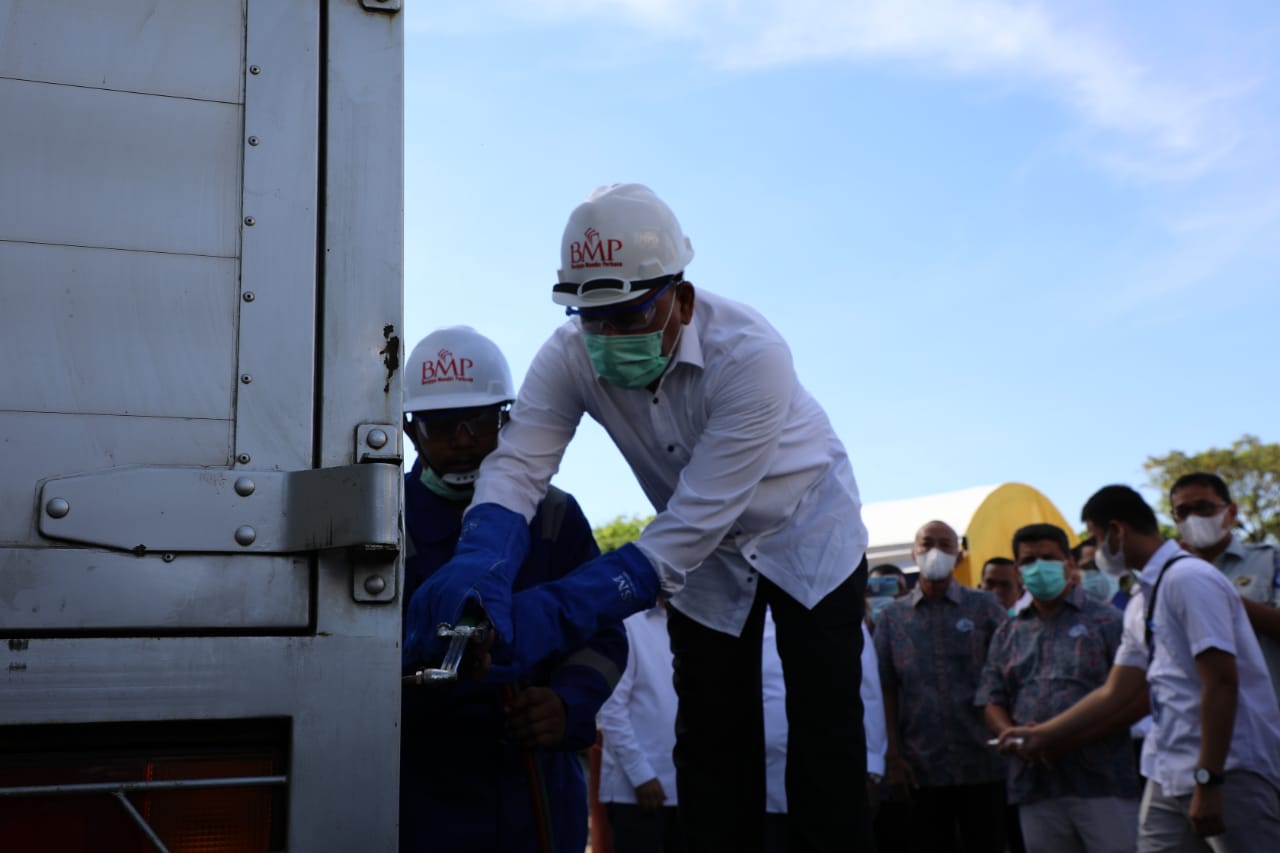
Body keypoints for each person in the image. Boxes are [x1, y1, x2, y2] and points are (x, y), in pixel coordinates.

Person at [403, 183, 872, 853]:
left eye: (629, 316)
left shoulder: (751, 355)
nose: (609, 337)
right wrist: (479, 561)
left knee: (826, 733)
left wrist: (548, 612)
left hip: (806, 534)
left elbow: (689, 527)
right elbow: (518, 467)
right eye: (592, 318)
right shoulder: (568, 354)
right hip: (705, 555)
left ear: (683, 299)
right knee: (711, 739)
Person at [398, 326, 628, 853]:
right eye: (441, 425)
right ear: (411, 431)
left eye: (478, 421)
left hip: (537, 785)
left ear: (505, 420)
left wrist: (567, 703)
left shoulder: (554, 514)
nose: (462, 440)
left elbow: (603, 636)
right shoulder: (385, 520)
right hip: (419, 785)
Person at [1000, 485, 1280, 853]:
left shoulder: (1188, 580)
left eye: (1097, 538)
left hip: (1227, 767)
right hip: (1166, 769)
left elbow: (1222, 683)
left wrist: (1209, 778)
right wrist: (1044, 734)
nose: (1096, 551)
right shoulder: (1141, 599)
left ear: (1117, 531)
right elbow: (1115, 691)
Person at [978, 523, 1139, 853]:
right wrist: (1011, 735)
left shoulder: (1108, 621)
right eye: (1028, 561)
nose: (1038, 567)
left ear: (1069, 563)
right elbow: (992, 697)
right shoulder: (1008, 631)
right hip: (1034, 784)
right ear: (1018, 571)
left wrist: (1059, 739)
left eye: (1048, 558)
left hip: (1102, 781)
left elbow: (1133, 699)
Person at [874, 520, 1007, 853]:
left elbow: (1008, 674)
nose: (935, 551)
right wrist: (892, 754)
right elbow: (886, 687)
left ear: (959, 557)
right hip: (920, 765)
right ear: (913, 553)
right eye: (927, 544)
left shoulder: (985, 607)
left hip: (983, 759)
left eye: (945, 545)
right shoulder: (892, 617)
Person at [764, 609, 886, 853]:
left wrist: (873, 766)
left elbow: (869, 692)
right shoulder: (753, 622)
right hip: (767, 784)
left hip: (830, 774)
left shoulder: (837, 613)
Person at [1169, 472, 1280, 706]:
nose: (1193, 518)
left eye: (1204, 507)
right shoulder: (1170, 577)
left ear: (1231, 512)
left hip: (1268, 712)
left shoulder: (1272, 560)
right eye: (1183, 512)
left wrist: (1215, 592)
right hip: (1202, 715)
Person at [597, 601, 687, 853]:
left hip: (686, 791)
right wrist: (641, 774)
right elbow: (612, 710)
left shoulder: (698, 622)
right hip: (637, 792)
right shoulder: (628, 622)